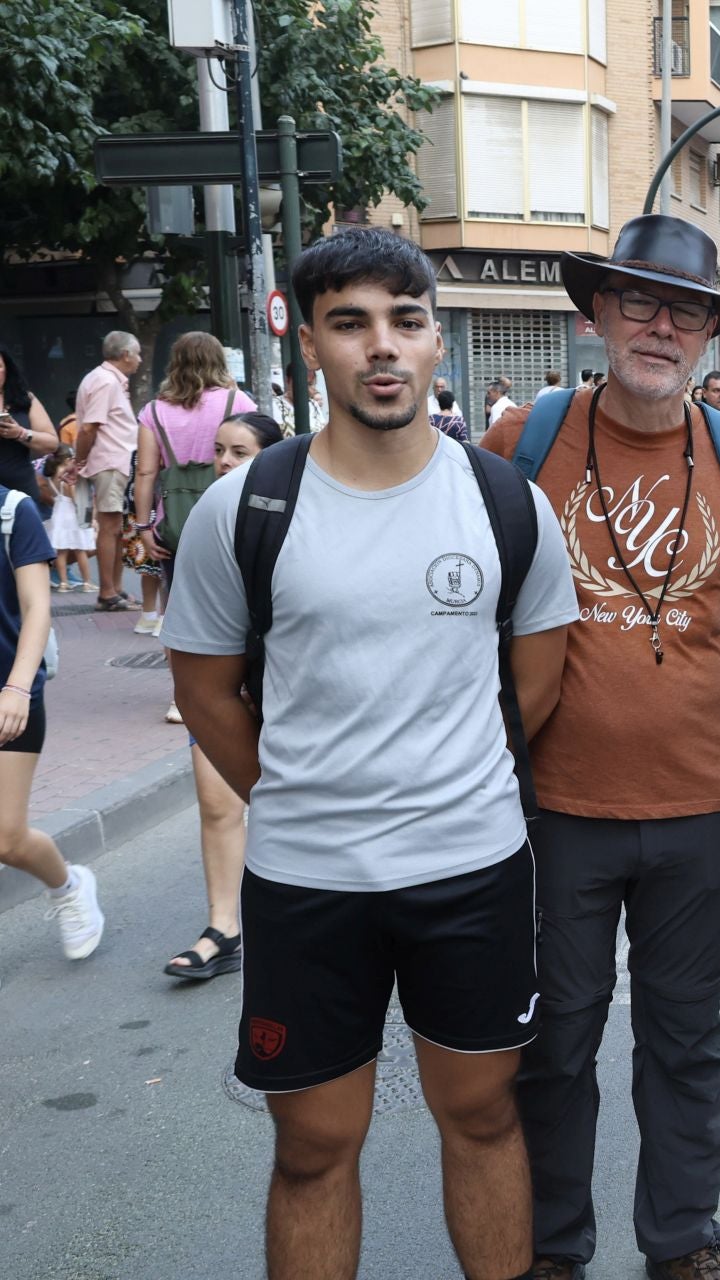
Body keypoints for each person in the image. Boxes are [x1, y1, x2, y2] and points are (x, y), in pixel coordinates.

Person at [165, 226, 577, 1280]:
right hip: (306, 880)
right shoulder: (243, 508)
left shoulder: (503, 504)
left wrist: (446, 780)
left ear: (437, 341)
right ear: (311, 344)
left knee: (483, 1116)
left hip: (473, 868)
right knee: (311, 1145)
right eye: (350, 323)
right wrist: (304, 794)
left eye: (406, 321)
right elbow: (206, 694)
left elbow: (530, 684)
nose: (381, 347)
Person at [485, 213, 720, 1280]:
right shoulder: (526, 436)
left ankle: (682, 1241)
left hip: (698, 805)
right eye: (642, 301)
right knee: (555, 1039)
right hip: (555, 805)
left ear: (708, 332)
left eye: (686, 309)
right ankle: (554, 1243)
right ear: (598, 312)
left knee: (685, 1037)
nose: (663, 324)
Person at [162, 410, 284, 981]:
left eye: (240, 453)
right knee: (217, 804)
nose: (224, 463)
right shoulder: (209, 519)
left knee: (277, 806)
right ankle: (222, 927)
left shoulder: (284, 519)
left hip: (281, 693)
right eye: (219, 450)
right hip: (218, 693)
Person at [0, 461, 103, 961]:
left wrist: (18, 688)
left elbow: (37, 607)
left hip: (8, 693)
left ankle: (68, 888)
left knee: (6, 837)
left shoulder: (11, 511)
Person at [131, 331, 259, 637]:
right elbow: (257, 455)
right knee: (235, 602)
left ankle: (186, 674)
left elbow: (145, 473)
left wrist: (143, 528)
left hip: (176, 523)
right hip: (230, 515)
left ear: (174, 364)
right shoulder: (237, 401)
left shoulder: (153, 412)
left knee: (180, 606)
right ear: (219, 361)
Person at [72, 330, 144, 612]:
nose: (139, 360)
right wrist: (79, 461)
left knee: (117, 529)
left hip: (115, 461)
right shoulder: (105, 382)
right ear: (125, 355)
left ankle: (114, 589)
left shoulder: (106, 380)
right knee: (111, 527)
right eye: (137, 354)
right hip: (112, 462)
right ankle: (107, 592)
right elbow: (90, 427)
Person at [0, 348, 61, 504]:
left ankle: (132, 527)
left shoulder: (24, 399)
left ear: (7, 369)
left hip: (21, 492)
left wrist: (20, 433)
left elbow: (52, 443)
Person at [44, 450, 96, 593]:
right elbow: (76, 499)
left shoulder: (52, 477)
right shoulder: (68, 477)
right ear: (67, 459)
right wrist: (89, 517)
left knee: (61, 552)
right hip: (73, 516)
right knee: (80, 550)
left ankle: (63, 583)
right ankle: (87, 582)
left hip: (59, 515)